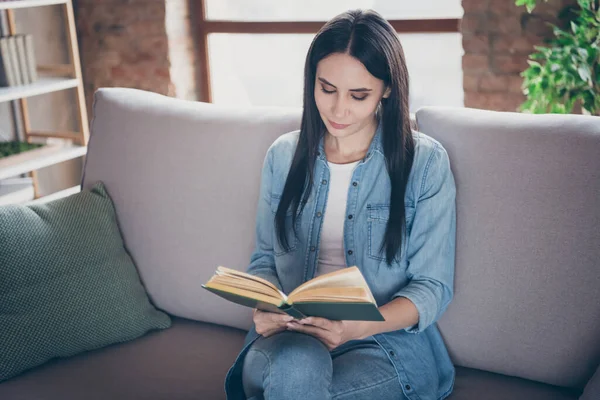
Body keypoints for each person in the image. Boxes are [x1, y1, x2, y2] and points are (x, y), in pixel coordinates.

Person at [225, 8, 456, 400]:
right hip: (292, 339)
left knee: (294, 390)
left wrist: (355, 327)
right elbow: (265, 259)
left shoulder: (426, 164)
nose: (338, 110)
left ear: (387, 89)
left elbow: (432, 288)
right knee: (296, 371)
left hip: (384, 343)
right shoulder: (282, 158)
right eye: (326, 89)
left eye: (358, 95)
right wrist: (262, 308)